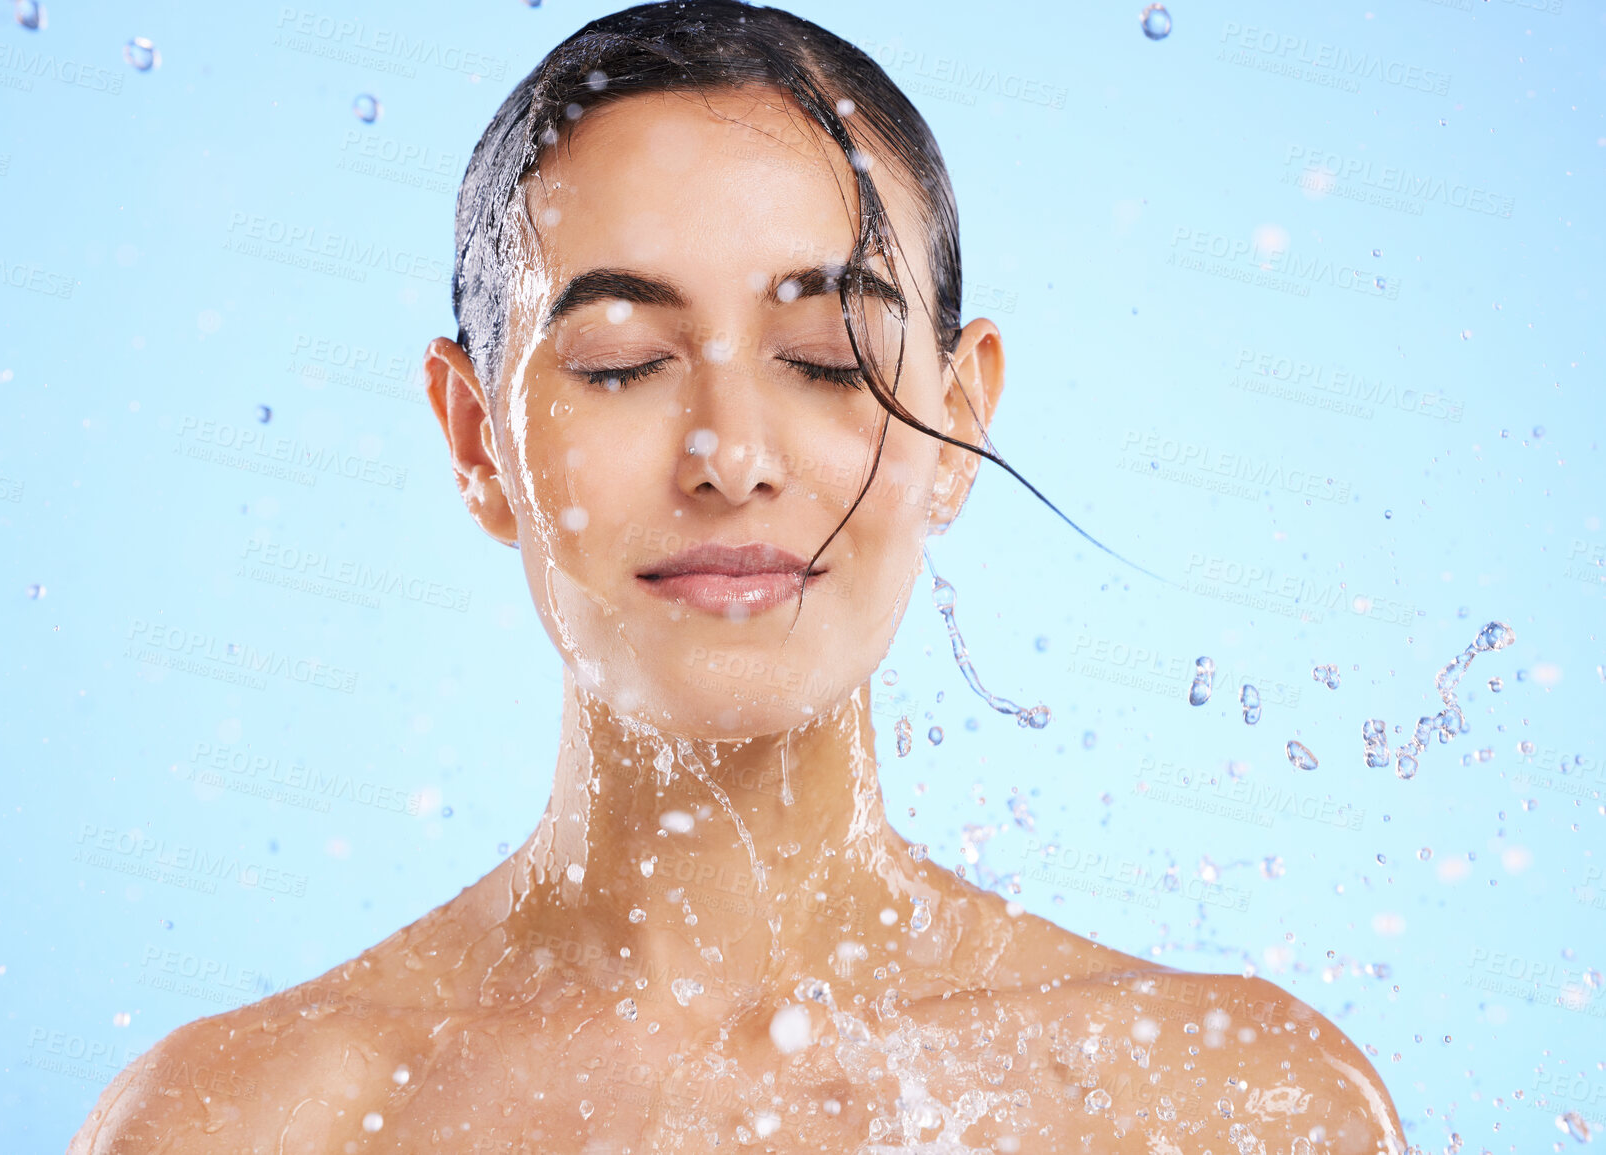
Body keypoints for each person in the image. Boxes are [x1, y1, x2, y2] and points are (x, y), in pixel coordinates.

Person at [70, 2, 1404, 1150]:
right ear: (478, 441)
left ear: (961, 423)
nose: (730, 455)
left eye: (830, 357)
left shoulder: (1231, 1110)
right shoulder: (242, 1127)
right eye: (619, 361)